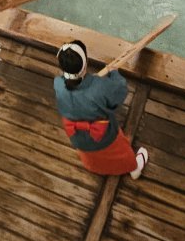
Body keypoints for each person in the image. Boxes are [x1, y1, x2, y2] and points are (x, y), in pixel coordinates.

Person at [54, 40, 148, 178]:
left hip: (77, 138)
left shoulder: (57, 84)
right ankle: (134, 168)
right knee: (120, 151)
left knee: (89, 154)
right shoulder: (100, 87)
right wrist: (114, 73)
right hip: (104, 136)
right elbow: (120, 92)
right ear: (85, 63)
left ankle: (93, 167)